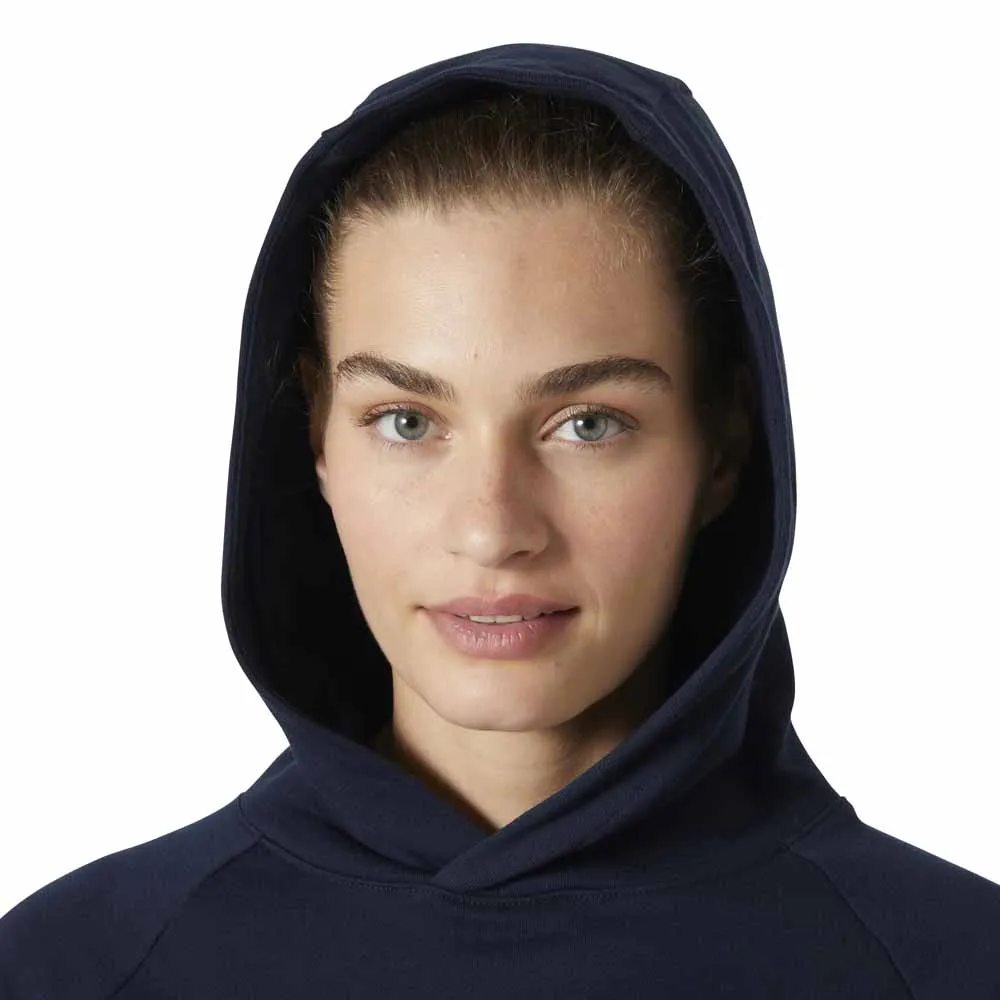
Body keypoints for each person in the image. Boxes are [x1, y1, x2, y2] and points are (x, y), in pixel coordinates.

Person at [1, 41, 998, 998]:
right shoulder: (72, 969)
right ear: (315, 437)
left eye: (587, 423)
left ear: (726, 448)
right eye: (405, 421)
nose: (492, 529)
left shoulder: (952, 965)